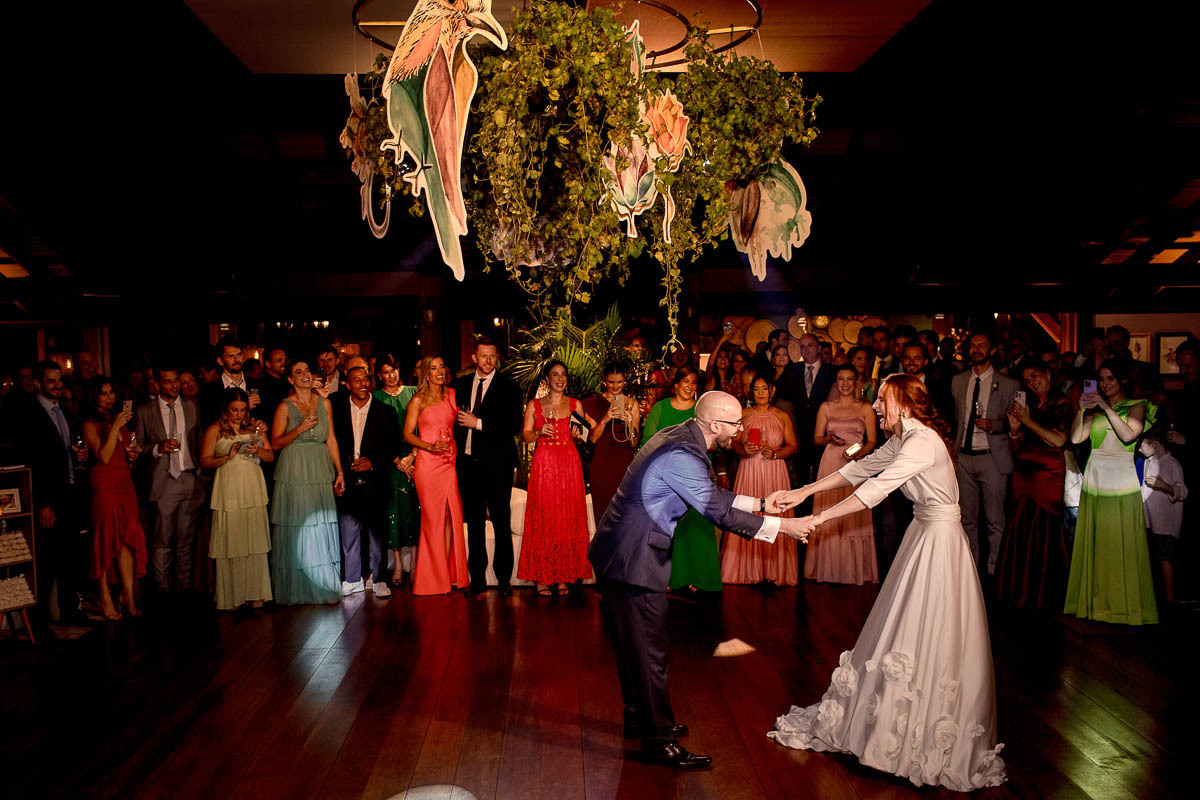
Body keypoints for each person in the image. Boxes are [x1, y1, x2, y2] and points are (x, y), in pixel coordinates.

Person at [769, 374, 1007, 791]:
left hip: (940, 542)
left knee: (929, 628)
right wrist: (805, 491)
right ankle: (891, 725)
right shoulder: (905, 437)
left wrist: (818, 519)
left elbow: (875, 490)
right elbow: (860, 469)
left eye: (882, 399)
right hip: (923, 534)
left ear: (904, 403)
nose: (875, 405)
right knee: (904, 625)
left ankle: (920, 733)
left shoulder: (922, 442)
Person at [589, 390, 808, 770]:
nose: (741, 430)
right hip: (634, 559)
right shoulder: (683, 453)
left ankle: (642, 719)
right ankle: (658, 742)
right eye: (736, 423)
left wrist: (760, 504)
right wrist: (785, 527)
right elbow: (716, 511)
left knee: (635, 647)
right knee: (649, 653)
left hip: (621, 552)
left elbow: (709, 494)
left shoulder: (678, 435)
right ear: (715, 424)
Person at [1064, 360, 1158, 624]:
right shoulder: (1094, 411)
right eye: (1102, 379)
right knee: (1098, 543)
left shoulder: (1137, 406)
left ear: (1122, 380)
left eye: (1110, 379)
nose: (1104, 384)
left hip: (1121, 479)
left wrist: (1105, 407)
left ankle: (1124, 607)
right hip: (1095, 478)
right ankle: (1097, 605)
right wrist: (1081, 410)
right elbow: (1075, 438)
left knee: (1121, 544)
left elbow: (1128, 435)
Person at [10, 361, 91, 625]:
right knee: (47, 562)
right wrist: (43, 503)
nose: (57, 385)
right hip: (48, 499)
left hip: (70, 494)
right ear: (37, 383)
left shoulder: (64, 411)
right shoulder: (28, 414)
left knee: (70, 558)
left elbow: (68, 450)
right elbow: (31, 461)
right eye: (51, 380)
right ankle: (41, 621)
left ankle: (69, 614)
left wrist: (81, 457)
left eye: (59, 380)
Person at [993, 359, 1072, 609]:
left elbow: (1058, 440)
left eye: (1035, 376)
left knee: (1045, 527)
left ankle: (1045, 594)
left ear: (1048, 373)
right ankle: (1019, 590)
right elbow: (1018, 448)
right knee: (1021, 526)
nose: (1032, 383)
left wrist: (1027, 422)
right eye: (1027, 380)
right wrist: (1014, 431)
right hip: (1023, 472)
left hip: (1048, 475)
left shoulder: (1062, 404)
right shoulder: (1028, 407)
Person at [517, 361, 598, 595]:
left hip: (569, 464)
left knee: (567, 516)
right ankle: (542, 577)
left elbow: (585, 436)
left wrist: (578, 435)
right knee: (545, 516)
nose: (560, 379)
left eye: (563, 374)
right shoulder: (534, 405)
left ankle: (564, 575)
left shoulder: (575, 405)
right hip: (545, 464)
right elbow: (525, 435)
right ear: (547, 379)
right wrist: (538, 431)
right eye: (555, 375)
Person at [452, 337, 524, 596]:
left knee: (501, 521)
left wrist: (479, 423)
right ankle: (478, 580)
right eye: (483, 356)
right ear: (474, 357)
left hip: (498, 466)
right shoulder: (460, 386)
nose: (488, 360)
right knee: (474, 524)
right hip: (468, 465)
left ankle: (504, 581)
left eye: (492, 356)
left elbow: (514, 424)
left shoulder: (509, 387)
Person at [269, 359, 344, 605]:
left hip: (320, 468)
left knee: (320, 524)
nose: (305, 375)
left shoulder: (325, 403)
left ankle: (324, 584)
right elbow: (275, 443)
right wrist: (299, 429)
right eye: (298, 372)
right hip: (295, 469)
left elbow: (331, 438)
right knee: (300, 524)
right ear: (290, 379)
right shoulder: (284, 406)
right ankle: (298, 588)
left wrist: (339, 471)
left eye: (307, 371)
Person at [641, 366, 723, 592]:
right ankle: (669, 577)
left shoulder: (701, 411)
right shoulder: (660, 408)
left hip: (697, 477)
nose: (690, 386)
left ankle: (698, 577)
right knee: (668, 529)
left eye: (694, 382)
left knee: (698, 528)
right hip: (667, 477)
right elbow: (648, 442)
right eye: (685, 381)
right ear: (675, 385)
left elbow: (715, 442)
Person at [951, 331, 1020, 575]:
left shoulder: (1009, 384)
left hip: (992, 456)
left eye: (982, 345)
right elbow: (955, 419)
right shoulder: (958, 381)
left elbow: (1017, 421)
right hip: (964, 456)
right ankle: (970, 567)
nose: (976, 349)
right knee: (966, 518)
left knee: (994, 519)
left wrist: (994, 425)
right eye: (973, 345)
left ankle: (995, 570)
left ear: (991, 350)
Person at [199, 387, 274, 610]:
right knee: (231, 539)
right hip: (228, 488)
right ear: (225, 409)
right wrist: (227, 456)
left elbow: (270, 456)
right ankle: (232, 595)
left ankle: (255, 593)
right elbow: (205, 461)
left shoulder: (254, 427)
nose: (239, 414)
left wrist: (257, 450)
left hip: (252, 486)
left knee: (254, 539)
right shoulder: (215, 429)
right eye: (234, 410)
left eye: (243, 410)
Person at [133, 366, 206, 594]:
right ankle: (162, 590)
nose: (174, 385)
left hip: (190, 477)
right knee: (163, 539)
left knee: (186, 539)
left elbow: (200, 439)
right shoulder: (145, 411)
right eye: (168, 381)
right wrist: (158, 448)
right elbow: (138, 447)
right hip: (165, 480)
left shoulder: (191, 406)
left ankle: (185, 588)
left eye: (176, 380)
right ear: (157, 384)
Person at [721, 372, 799, 585]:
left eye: (764, 389)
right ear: (751, 392)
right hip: (749, 469)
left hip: (775, 470)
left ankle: (775, 571)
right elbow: (733, 442)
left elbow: (793, 446)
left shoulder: (782, 416)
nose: (761, 393)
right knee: (748, 513)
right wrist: (743, 449)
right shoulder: (744, 414)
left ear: (772, 391)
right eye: (756, 389)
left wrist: (774, 454)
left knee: (775, 514)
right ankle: (745, 571)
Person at [81, 376, 148, 620]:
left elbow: (124, 452)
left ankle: (129, 597)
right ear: (94, 397)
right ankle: (105, 598)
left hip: (124, 483)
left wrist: (133, 453)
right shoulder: (89, 423)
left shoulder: (119, 420)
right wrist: (115, 428)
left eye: (111, 392)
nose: (110, 397)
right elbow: (104, 456)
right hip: (104, 483)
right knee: (105, 538)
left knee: (126, 539)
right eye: (104, 393)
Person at [333, 365, 401, 597]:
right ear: (347, 384)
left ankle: (379, 579)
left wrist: (372, 462)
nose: (362, 384)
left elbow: (393, 447)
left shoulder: (386, 411)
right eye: (356, 380)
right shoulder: (337, 409)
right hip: (347, 478)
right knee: (349, 532)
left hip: (375, 479)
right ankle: (352, 579)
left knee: (377, 533)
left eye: (365, 379)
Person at [805, 365, 878, 584]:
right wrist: (829, 439)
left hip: (855, 464)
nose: (845, 384)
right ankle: (827, 570)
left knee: (853, 510)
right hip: (830, 462)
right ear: (836, 382)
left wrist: (857, 455)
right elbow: (816, 438)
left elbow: (872, 442)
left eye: (849, 379)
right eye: (841, 379)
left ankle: (853, 571)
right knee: (829, 509)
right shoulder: (826, 407)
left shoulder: (865, 407)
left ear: (856, 382)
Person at [404, 355, 468, 595]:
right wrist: (429, 446)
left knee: (451, 515)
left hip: (449, 463)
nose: (439, 371)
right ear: (426, 374)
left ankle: (448, 575)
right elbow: (407, 434)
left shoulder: (452, 396)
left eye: (442, 367)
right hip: (427, 465)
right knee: (433, 520)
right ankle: (434, 578)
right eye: (433, 368)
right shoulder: (418, 400)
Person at [373, 354, 421, 586]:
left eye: (394, 370)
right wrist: (397, 462)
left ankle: (415, 563)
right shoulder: (376, 397)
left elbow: (424, 426)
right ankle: (398, 565)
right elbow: (375, 436)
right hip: (390, 463)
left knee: (413, 510)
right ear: (379, 375)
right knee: (393, 511)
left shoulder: (414, 392)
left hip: (416, 458)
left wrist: (412, 456)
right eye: (385, 372)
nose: (391, 376)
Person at [585, 362, 641, 526]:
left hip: (624, 466)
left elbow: (634, 441)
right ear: (604, 381)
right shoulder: (592, 403)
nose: (615, 386)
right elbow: (593, 439)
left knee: (625, 518)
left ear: (625, 381)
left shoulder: (632, 404)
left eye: (619, 382)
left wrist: (630, 423)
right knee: (603, 517)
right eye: (611, 382)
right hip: (602, 466)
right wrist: (605, 419)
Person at [1139, 428, 1186, 607]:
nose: (1139, 450)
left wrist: (1164, 486)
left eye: (1142, 445)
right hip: (1149, 520)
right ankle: (1154, 596)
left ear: (1155, 444)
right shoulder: (1148, 462)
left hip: (1165, 523)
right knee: (1153, 557)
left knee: (1165, 557)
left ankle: (1169, 598)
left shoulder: (1172, 464)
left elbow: (1182, 491)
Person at [199, 335, 263, 427]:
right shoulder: (209, 391)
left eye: (239, 354)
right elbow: (209, 422)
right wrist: (244, 408)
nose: (237, 359)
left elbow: (264, 415)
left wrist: (263, 424)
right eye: (231, 356)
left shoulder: (257, 385)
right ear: (220, 361)